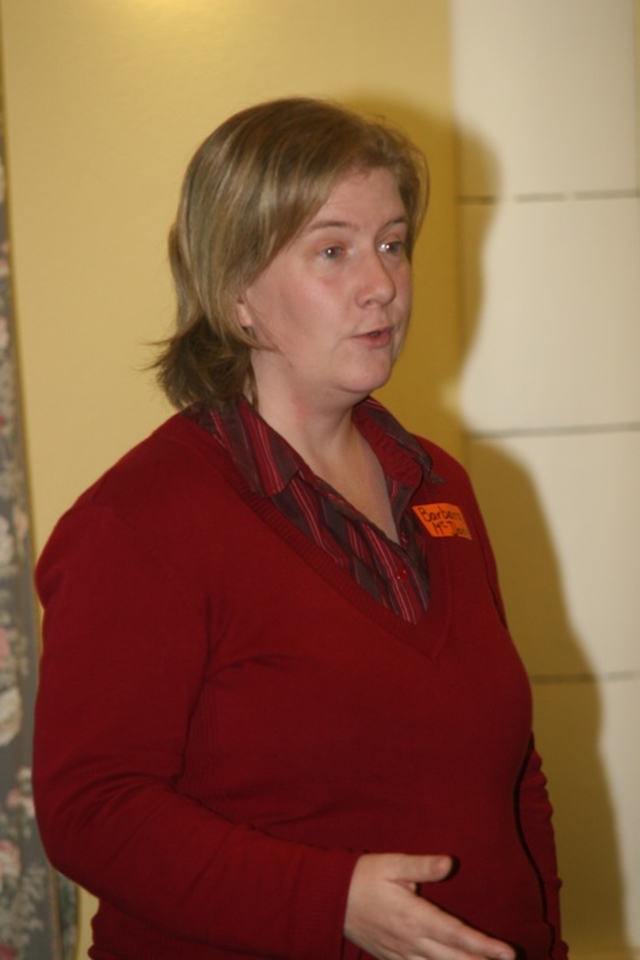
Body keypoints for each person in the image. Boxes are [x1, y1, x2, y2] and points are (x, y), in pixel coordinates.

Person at [33, 97, 568, 960]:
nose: (382, 284)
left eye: (392, 243)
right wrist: (332, 900)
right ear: (237, 291)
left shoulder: (443, 487)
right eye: (333, 250)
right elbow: (93, 812)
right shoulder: (138, 522)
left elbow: (511, 772)